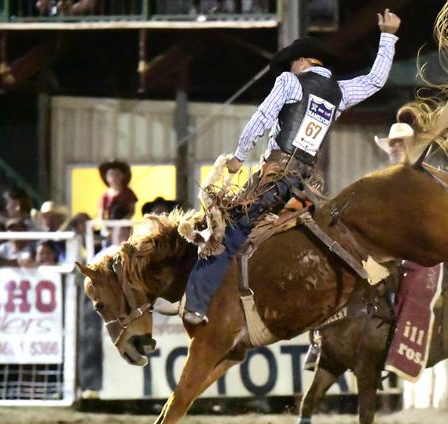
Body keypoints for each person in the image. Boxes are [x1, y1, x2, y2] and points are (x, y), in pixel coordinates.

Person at [160, 9, 402, 325]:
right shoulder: (339, 92)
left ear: (302, 61)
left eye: (292, 63)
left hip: (276, 177)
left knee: (229, 231)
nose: (290, 67)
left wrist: (238, 156)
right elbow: (375, 80)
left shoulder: (290, 81)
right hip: (306, 183)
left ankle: (194, 304)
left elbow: (260, 119)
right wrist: (388, 36)